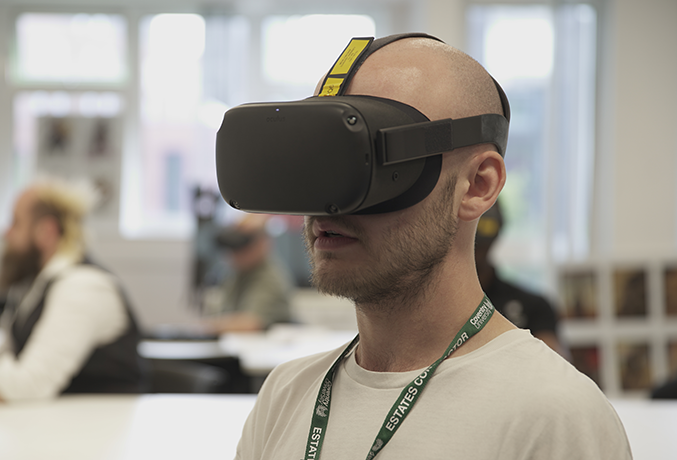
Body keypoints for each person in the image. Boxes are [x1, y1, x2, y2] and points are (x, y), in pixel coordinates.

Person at [233, 34, 631, 458]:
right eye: (318, 161)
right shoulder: (286, 395)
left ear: (478, 185)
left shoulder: (552, 414)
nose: (330, 204)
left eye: (373, 162)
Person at [0, 178, 145, 403]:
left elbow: (30, 384)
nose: (6, 233)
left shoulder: (83, 287)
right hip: (50, 424)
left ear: (46, 231)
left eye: (15, 222)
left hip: (95, 431)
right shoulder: (34, 285)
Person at [475, 199, 569, 358]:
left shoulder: (535, 306)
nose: (477, 238)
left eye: (486, 225)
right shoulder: (431, 306)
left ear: (499, 229)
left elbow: (549, 370)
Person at [204, 214, 293, 333]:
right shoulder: (235, 274)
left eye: (243, 244)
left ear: (263, 243)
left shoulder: (269, 277)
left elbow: (251, 323)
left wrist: (204, 327)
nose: (236, 253)